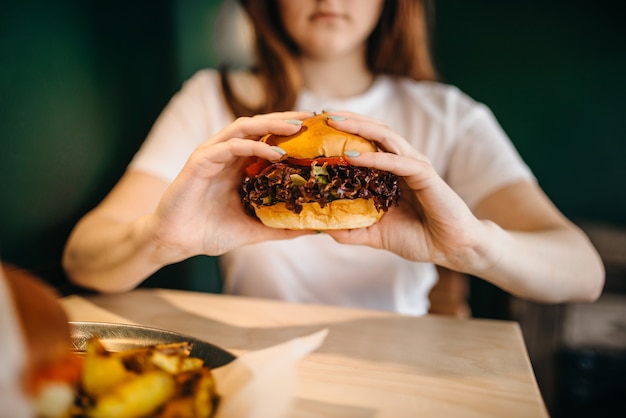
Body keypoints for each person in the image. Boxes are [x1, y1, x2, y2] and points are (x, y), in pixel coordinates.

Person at [62, 0, 604, 316]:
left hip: (410, 369)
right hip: (253, 362)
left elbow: (582, 273)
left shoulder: (449, 115)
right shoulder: (213, 100)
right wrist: (161, 238)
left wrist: (473, 247)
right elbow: (83, 259)